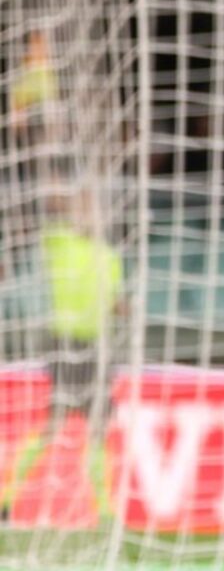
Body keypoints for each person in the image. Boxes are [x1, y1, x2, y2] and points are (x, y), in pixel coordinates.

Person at [0, 191, 124, 525]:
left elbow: (115, 303)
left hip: (97, 349)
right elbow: (48, 203)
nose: (91, 215)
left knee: (98, 429)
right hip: (64, 343)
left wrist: (123, 308)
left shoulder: (110, 257)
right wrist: (70, 197)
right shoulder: (60, 242)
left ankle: (106, 511)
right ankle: (6, 500)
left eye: (96, 210)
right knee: (51, 427)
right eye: (85, 209)